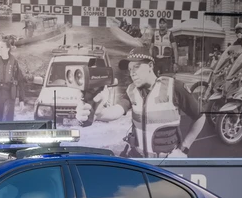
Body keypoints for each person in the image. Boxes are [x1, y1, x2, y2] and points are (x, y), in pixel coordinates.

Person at [74, 49, 207, 158]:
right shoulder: (131, 90)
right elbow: (116, 111)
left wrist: (184, 149)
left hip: (166, 164)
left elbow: (200, 117)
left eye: (136, 67)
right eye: (130, 69)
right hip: (139, 160)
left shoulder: (174, 87)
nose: (132, 73)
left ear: (150, 66)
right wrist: (98, 113)